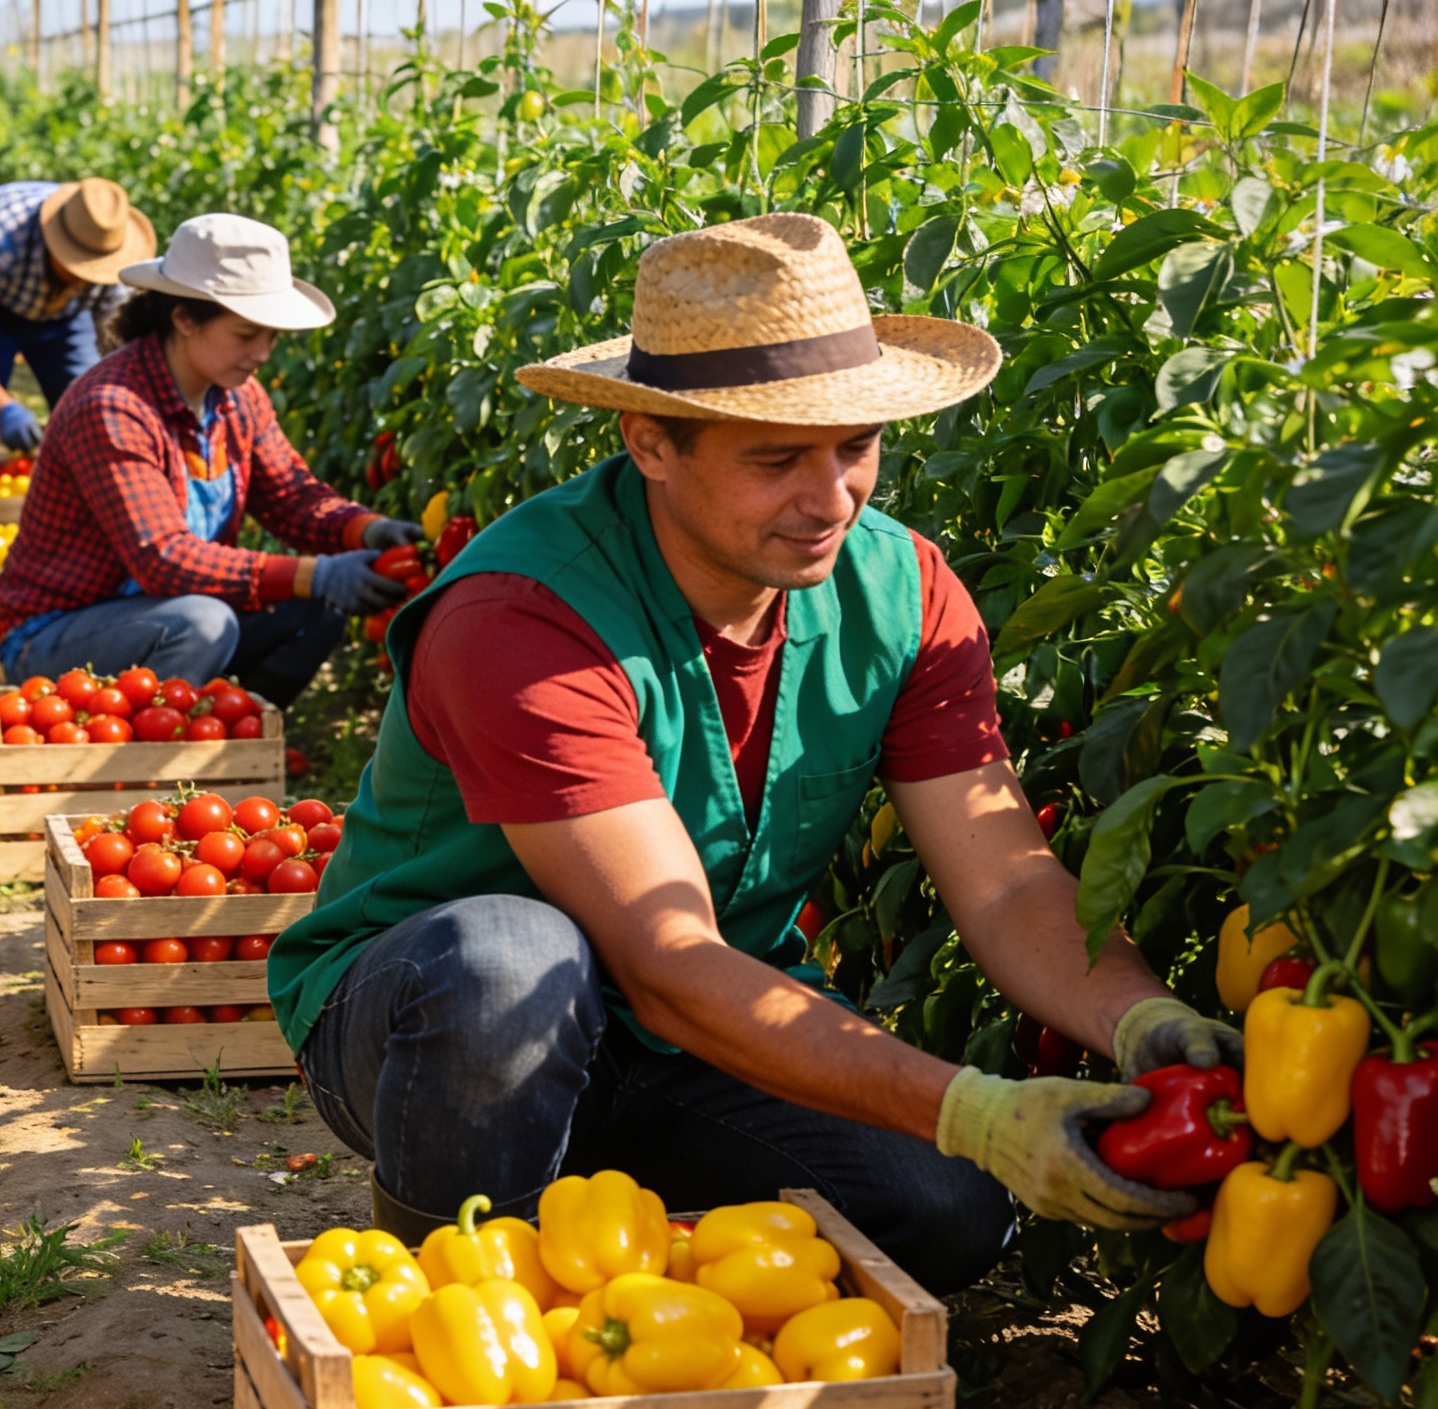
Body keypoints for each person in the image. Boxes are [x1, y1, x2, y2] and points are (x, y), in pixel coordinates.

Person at [268, 213, 1241, 1293]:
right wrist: (972, 1108)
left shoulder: (902, 593)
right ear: (649, 442)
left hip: (693, 1035)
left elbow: (1007, 881)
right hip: (435, 1029)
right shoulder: (526, 613)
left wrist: (1139, 1017)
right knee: (508, 959)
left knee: (945, 1211)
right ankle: (446, 1284)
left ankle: (625, 1255)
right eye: (776, 459)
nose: (831, 499)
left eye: (856, 447)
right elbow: (666, 959)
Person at [0, 215, 423, 707]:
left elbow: (290, 496)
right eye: (246, 334)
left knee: (316, 610)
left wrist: (365, 529)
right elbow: (164, 558)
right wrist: (315, 573)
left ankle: (236, 735)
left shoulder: (238, 398)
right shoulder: (113, 408)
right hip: (57, 633)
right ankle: (156, 747)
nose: (263, 353)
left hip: (165, 615)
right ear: (184, 319)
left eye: (272, 337)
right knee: (203, 622)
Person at [0, 178, 153, 488]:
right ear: (54, 246)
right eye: (77, 268)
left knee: (87, 415)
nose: (84, 279)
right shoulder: (0, 245)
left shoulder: (110, 257)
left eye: (93, 272)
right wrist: (3, 407)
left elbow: (120, 342)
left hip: (62, 313)